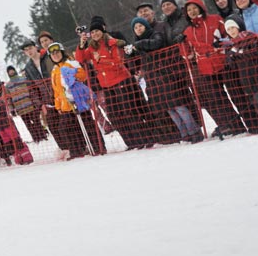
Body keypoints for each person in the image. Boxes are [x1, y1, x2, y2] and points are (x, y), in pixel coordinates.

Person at [76, 18, 149, 150]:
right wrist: (81, 45)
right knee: (115, 114)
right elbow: (81, 58)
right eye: (92, 32)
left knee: (129, 111)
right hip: (106, 85)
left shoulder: (112, 43)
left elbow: (117, 62)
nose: (95, 34)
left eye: (97, 31)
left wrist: (100, 61)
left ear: (102, 31)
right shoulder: (92, 47)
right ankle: (131, 141)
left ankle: (143, 138)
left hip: (121, 80)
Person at [129, 17, 203, 143]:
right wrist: (129, 53)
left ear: (146, 26)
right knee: (170, 109)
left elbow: (156, 43)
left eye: (140, 25)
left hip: (166, 75)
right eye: (135, 28)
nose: (138, 29)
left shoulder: (155, 34)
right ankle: (184, 133)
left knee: (179, 106)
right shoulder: (136, 43)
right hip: (153, 80)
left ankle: (194, 131)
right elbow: (134, 64)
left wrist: (138, 45)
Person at [182, 0, 247, 137]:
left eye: (194, 8)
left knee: (237, 94)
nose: (192, 11)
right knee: (219, 100)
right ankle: (235, 126)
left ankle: (250, 122)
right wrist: (182, 44)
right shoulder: (187, 31)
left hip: (223, 63)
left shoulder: (215, 19)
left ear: (200, 7)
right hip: (206, 68)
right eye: (189, 10)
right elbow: (188, 54)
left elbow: (228, 36)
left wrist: (219, 45)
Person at [49, 42, 105, 159]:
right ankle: (77, 150)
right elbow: (56, 91)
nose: (55, 55)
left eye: (57, 52)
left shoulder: (70, 63)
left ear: (62, 52)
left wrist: (72, 74)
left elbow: (82, 75)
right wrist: (58, 106)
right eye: (52, 54)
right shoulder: (54, 70)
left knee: (87, 124)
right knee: (67, 129)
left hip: (77, 101)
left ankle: (98, 147)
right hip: (65, 105)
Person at [5, 65, 47, 142]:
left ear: (15, 70)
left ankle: (42, 136)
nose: (11, 72)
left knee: (37, 122)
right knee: (28, 125)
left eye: (12, 70)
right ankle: (36, 138)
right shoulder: (8, 85)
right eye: (9, 71)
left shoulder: (24, 79)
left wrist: (36, 102)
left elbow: (32, 91)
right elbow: (9, 99)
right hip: (20, 109)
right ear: (8, 73)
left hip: (30, 105)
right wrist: (12, 109)